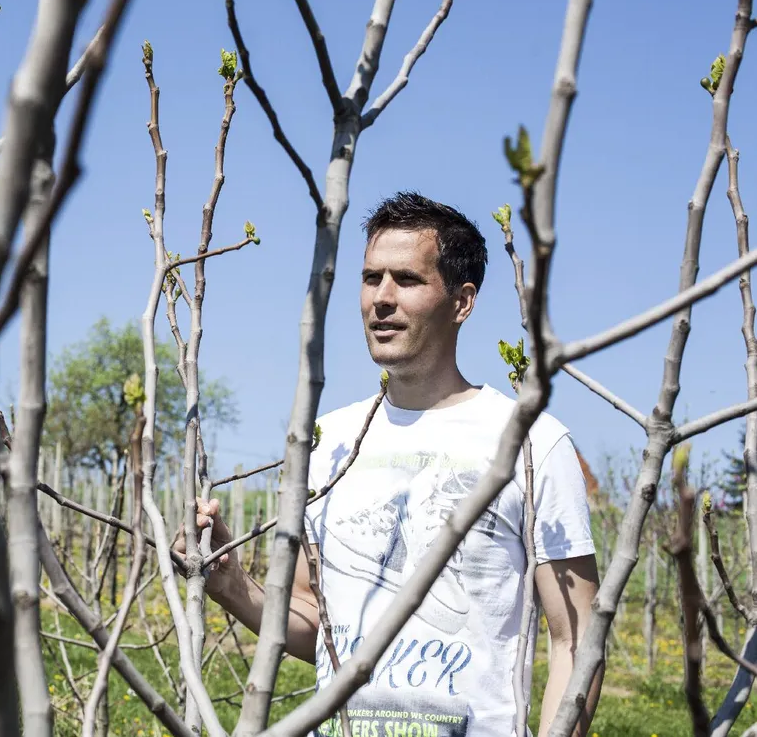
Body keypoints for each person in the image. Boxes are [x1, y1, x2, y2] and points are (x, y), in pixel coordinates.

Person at [178, 192, 602, 737]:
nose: (381, 298)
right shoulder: (327, 439)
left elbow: (576, 641)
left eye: (406, 280)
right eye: (370, 277)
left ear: (462, 302)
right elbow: (315, 621)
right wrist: (231, 583)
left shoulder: (533, 442)